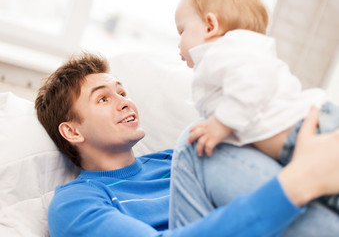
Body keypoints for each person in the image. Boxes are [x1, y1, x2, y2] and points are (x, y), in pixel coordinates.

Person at [35, 52, 339, 237]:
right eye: (103, 98)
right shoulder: (75, 203)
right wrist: (296, 184)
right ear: (72, 132)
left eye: (123, 92)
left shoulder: (172, 161)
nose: (125, 103)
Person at [175, 0, 339, 213]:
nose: (178, 43)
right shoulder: (230, 56)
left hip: (308, 128)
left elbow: (253, 82)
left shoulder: (225, 50)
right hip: (299, 138)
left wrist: (220, 124)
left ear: (210, 26)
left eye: (182, 31)